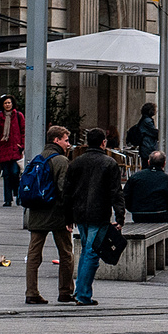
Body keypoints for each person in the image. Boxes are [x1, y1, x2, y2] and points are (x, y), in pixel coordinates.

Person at [63, 127, 124, 306]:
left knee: (86, 251)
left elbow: (67, 192)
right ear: (103, 142)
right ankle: (82, 294)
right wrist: (120, 216)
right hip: (99, 213)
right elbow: (116, 192)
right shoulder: (109, 163)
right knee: (91, 252)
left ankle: (81, 291)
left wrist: (68, 217)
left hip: (80, 213)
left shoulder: (76, 162)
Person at [20, 125, 75, 305]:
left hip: (36, 213)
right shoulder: (61, 161)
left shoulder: (38, 158)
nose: (69, 144)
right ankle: (65, 291)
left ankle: (31, 292)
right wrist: (70, 216)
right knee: (66, 253)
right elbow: (63, 190)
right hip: (57, 215)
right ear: (56, 140)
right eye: (66, 140)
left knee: (34, 254)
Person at [123, 150, 168, 265]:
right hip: (161, 215)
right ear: (164, 164)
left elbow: (126, 196)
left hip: (138, 215)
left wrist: (132, 209)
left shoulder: (136, 177)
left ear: (148, 162)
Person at [0, 94, 25, 206]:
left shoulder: (19, 116)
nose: (7, 105)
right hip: (4, 150)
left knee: (15, 173)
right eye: (5, 103)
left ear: (12, 103)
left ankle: (18, 194)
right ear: (3, 105)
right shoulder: (0, 118)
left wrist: (22, 145)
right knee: (6, 175)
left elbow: (24, 132)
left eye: (9, 103)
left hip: (16, 149)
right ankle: (8, 200)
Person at [125, 103, 158, 169]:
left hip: (145, 147)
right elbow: (154, 132)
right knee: (149, 165)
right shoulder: (147, 121)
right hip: (148, 146)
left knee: (146, 165)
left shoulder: (144, 120)